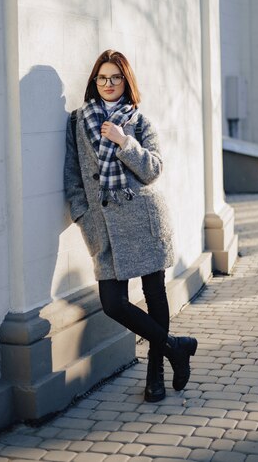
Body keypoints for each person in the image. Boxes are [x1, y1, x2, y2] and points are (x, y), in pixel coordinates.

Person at [64, 49, 197, 402]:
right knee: (113, 302)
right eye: (102, 78)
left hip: (144, 219)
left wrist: (124, 142)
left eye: (116, 77)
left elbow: (153, 170)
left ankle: (155, 373)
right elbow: (73, 180)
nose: (108, 84)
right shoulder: (78, 121)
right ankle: (175, 348)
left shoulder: (139, 122)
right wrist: (86, 219)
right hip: (105, 227)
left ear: (126, 81)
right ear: (94, 81)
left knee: (154, 296)